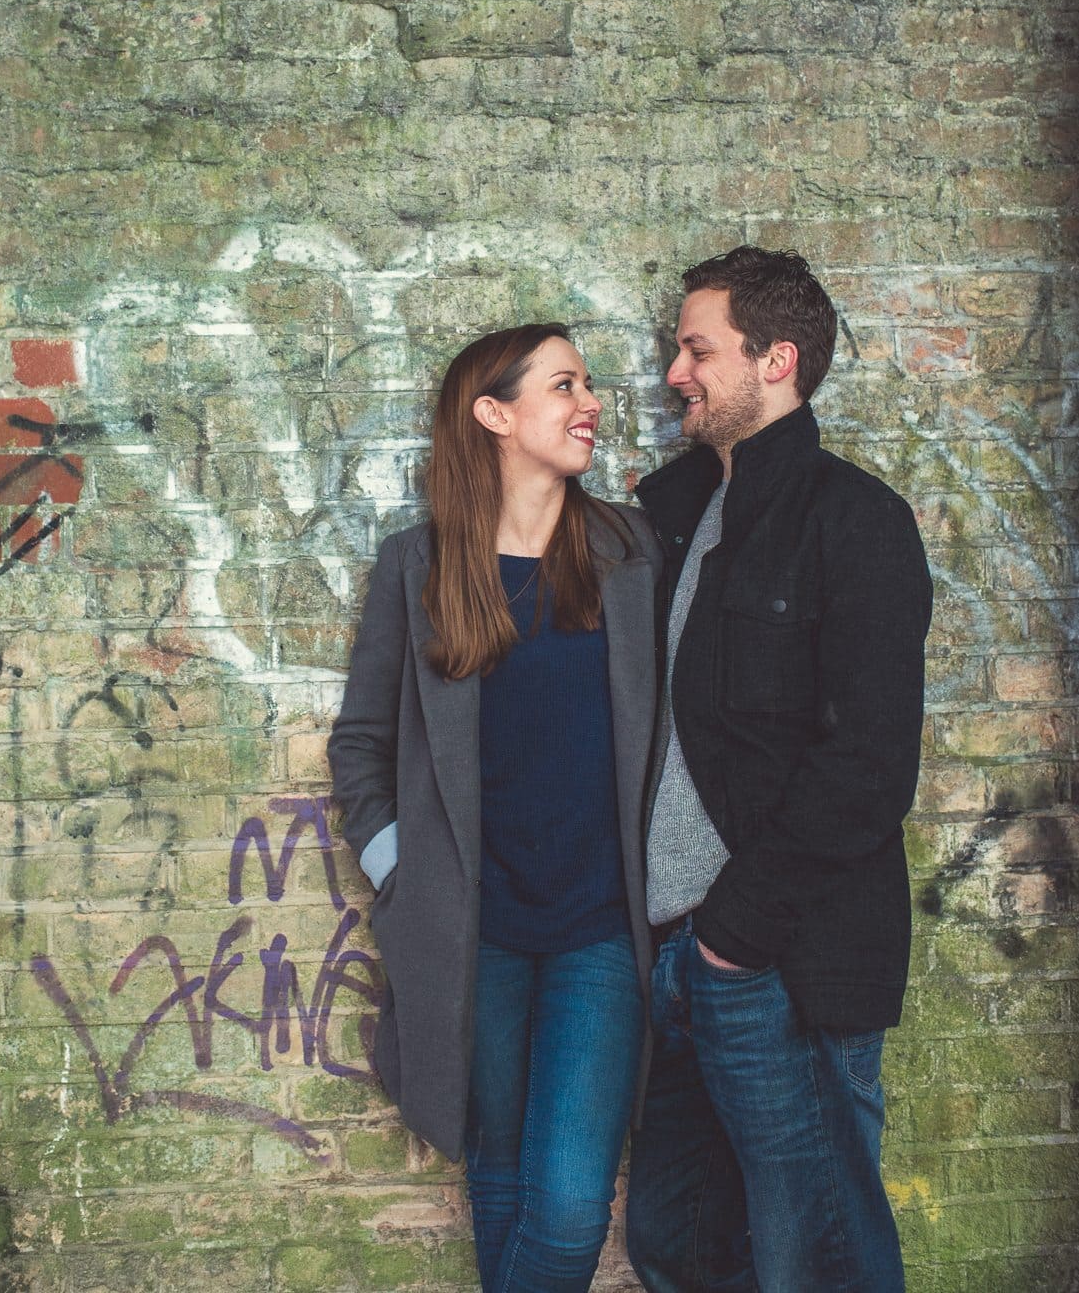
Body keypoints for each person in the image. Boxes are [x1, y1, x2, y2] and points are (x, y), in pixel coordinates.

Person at [329, 323, 662, 1293]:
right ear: (495, 414)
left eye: (588, 383)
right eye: (564, 385)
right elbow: (359, 747)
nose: (589, 401)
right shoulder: (416, 568)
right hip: (476, 935)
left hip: (601, 930)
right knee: (502, 1181)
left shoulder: (630, 555)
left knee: (565, 1205)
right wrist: (408, 878)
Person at [625, 246, 933, 1293]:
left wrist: (731, 936)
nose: (675, 372)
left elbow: (867, 766)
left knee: (818, 1258)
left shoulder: (855, 523)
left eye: (696, 349)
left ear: (777, 360)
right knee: (677, 1246)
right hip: (668, 958)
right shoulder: (664, 515)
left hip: (773, 963)